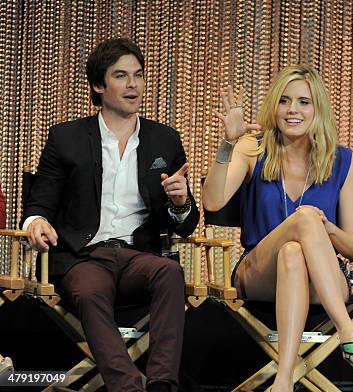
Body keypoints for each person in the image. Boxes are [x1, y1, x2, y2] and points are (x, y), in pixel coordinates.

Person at [22, 38, 199, 392]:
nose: (133, 84)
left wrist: (180, 204)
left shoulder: (164, 140)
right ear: (99, 85)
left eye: (139, 75)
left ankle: (163, 384)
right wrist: (36, 222)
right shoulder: (66, 138)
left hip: (138, 256)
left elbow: (186, 223)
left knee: (169, 273)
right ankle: (127, 387)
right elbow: (39, 204)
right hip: (83, 257)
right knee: (90, 291)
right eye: (121, 76)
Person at [202, 65, 353, 391]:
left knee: (293, 252)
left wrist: (325, 227)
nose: (292, 110)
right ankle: (350, 336)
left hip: (325, 276)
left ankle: (283, 380)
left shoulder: (342, 160)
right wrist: (227, 146)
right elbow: (214, 202)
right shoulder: (252, 148)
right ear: (274, 106)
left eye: (304, 102)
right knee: (301, 222)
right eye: (285, 101)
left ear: (318, 109)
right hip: (258, 273)